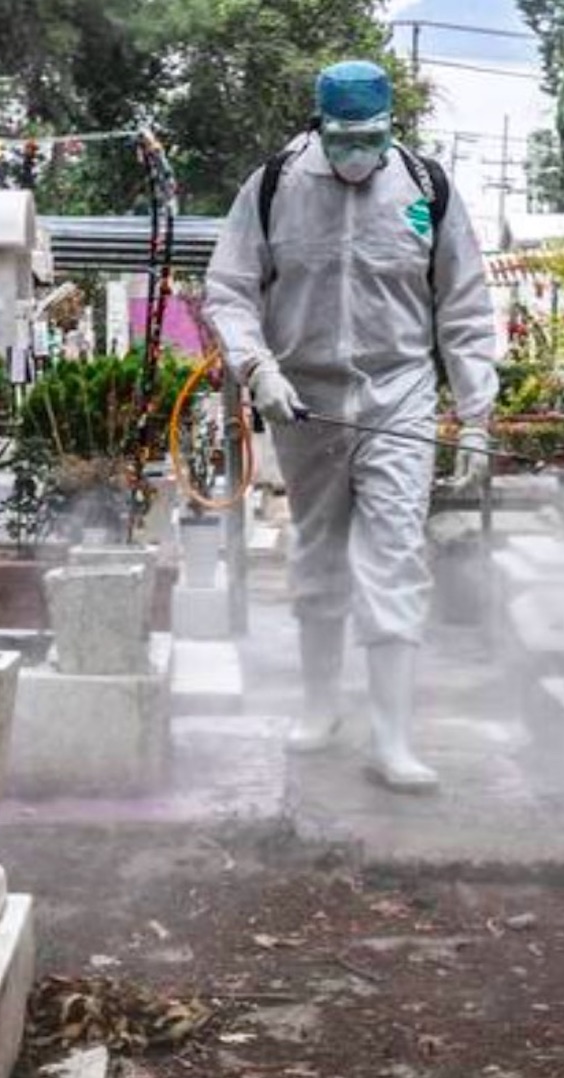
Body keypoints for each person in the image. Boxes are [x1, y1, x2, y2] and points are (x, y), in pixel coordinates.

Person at [203, 59, 499, 792]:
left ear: (391, 127)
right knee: (317, 547)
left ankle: (394, 738)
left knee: (395, 554)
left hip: (398, 393)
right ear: (320, 127)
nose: (358, 153)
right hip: (303, 397)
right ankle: (319, 705)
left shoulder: (425, 188)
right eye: (345, 138)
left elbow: (463, 306)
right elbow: (229, 289)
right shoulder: (274, 186)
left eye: (371, 137)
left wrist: (477, 414)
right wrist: (258, 370)